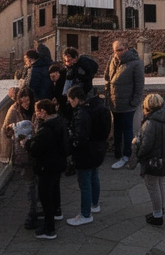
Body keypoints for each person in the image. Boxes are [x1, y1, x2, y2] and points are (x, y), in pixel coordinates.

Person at [65, 87, 110, 226]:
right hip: (99, 148)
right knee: (94, 177)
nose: (70, 103)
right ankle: (94, 205)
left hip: (85, 152)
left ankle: (86, 214)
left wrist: (71, 147)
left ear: (77, 99)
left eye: (71, 100)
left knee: (84, 183)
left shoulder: (82, 113)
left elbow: (80, 137)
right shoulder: (99, 106)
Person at [130, 93, 165, 226]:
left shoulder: (150, 123)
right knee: (159, 183)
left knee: (152, 185)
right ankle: (160, 210)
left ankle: (157, 216)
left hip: (153, 161)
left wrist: (137, 151)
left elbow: (146, 146)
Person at [25, 99, 68, 240]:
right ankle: (57, 212)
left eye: (37, 111)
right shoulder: (60, 122)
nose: (36, 114)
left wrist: (26, 143)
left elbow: (35, 149)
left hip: (46, 166)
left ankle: (49, 229)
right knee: (55, 189)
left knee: (45, 197)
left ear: (43, 111)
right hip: (58, 163)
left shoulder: (46, 129)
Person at [4, 87, 41, 227]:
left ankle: (38, 209)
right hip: (23, 153)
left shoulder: (37, 109)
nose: (26, 103)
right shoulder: (14, 111)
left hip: (37, 150)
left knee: (39, 182)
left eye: (28, 100)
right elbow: (5, 131)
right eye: (23, 101)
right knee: (31, 184)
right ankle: (32, 213)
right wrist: (13, 129)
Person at [106, 39, 144, 168]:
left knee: (127, 130)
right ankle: (118, 153)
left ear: (126, 49)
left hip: (128, 104)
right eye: (115, 50)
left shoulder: (136, 63)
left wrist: (134, 101)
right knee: (116, 129)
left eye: (120, 50)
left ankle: (127, 155)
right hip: (114, 102)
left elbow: (139, 85)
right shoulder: (113, 60)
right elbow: (108, 77)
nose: (117, 53)